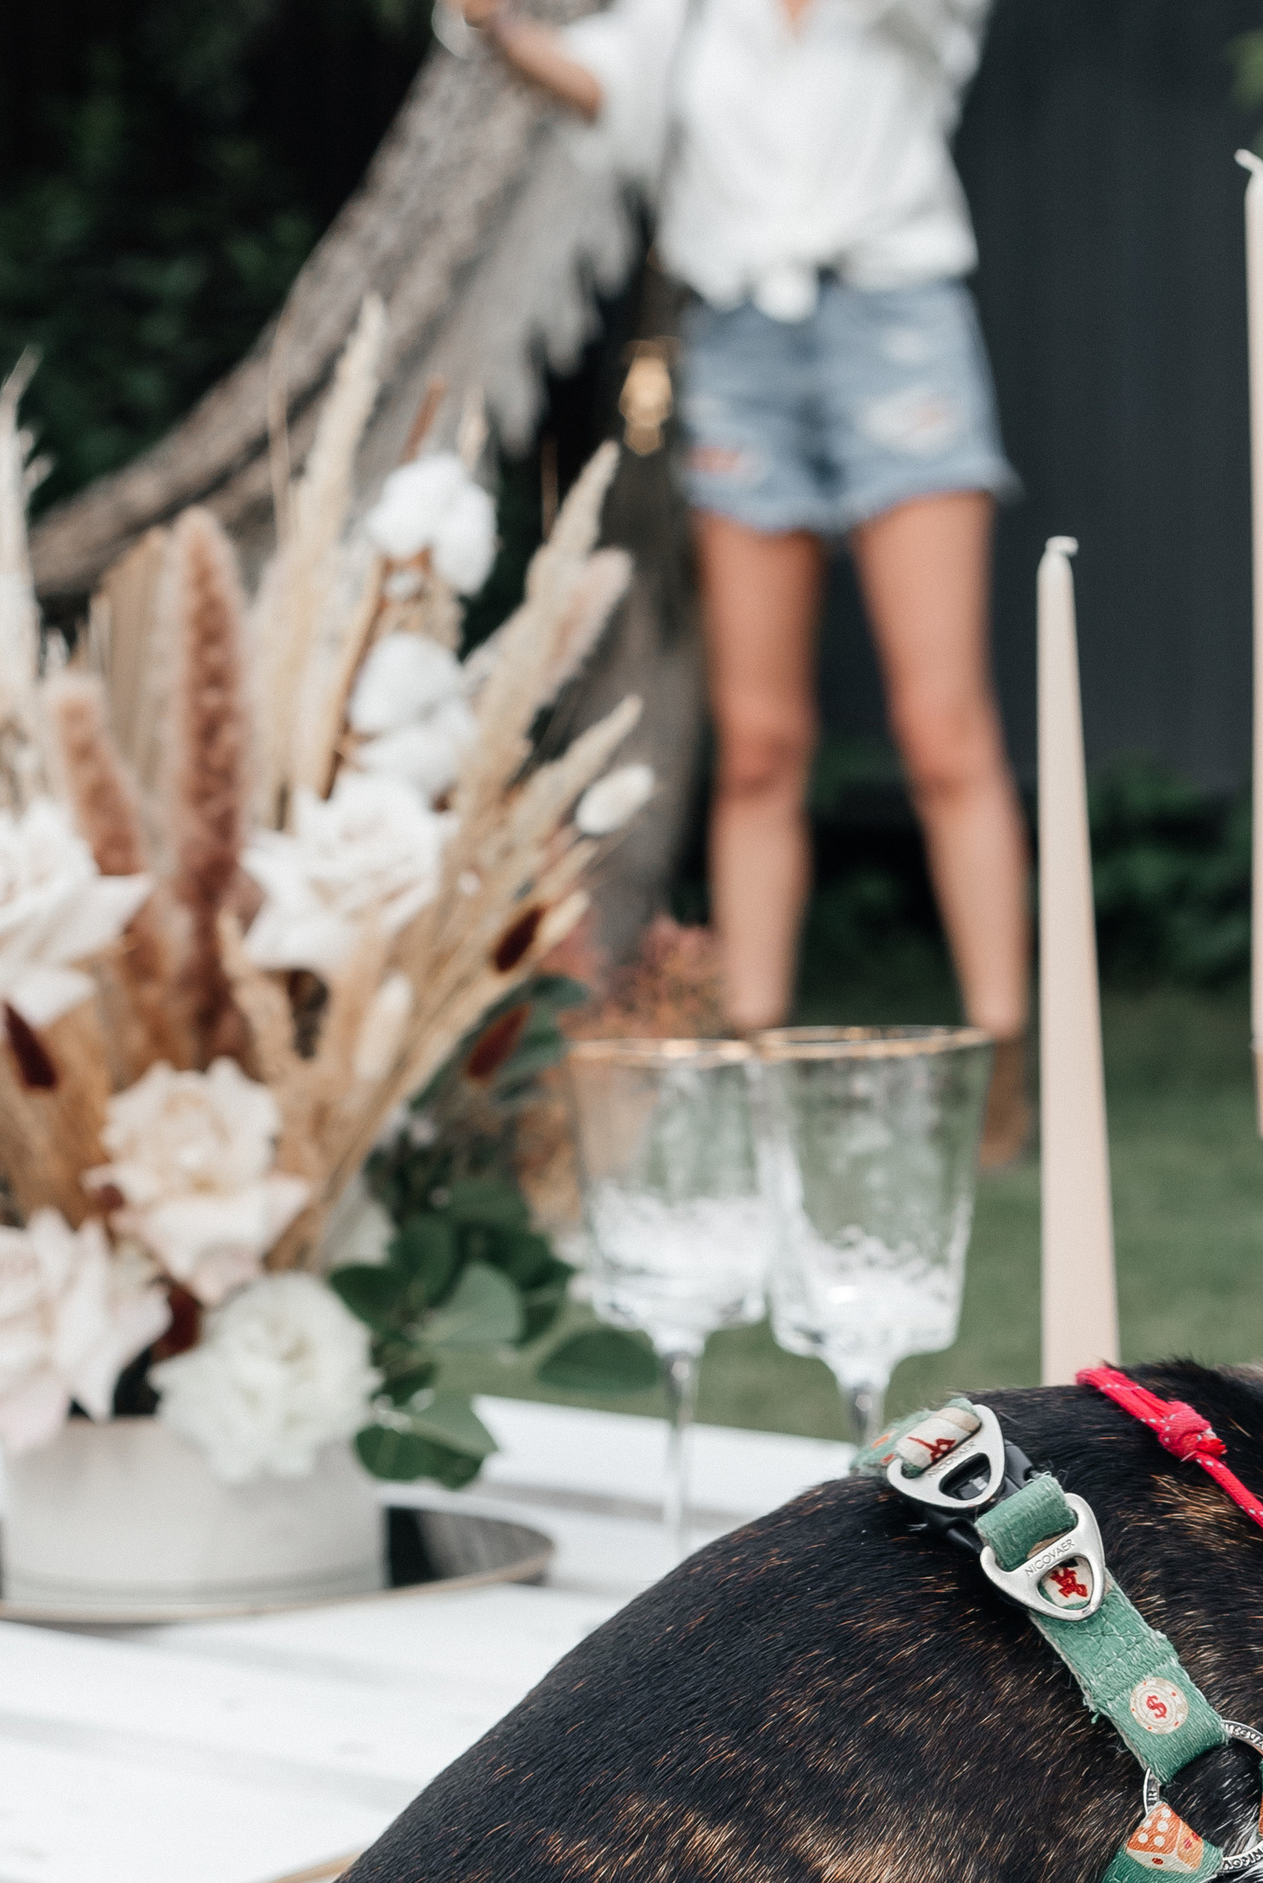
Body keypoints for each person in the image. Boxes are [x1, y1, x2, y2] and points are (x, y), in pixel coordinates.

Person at [454, 0, 1030, 1161]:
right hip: (739, 349)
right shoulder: (685, 17)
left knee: (941, 729)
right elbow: (606, 90)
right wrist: (503, 34)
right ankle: (758, 1058)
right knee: (760, 742)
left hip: (895, 326)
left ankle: (1004, 1065)